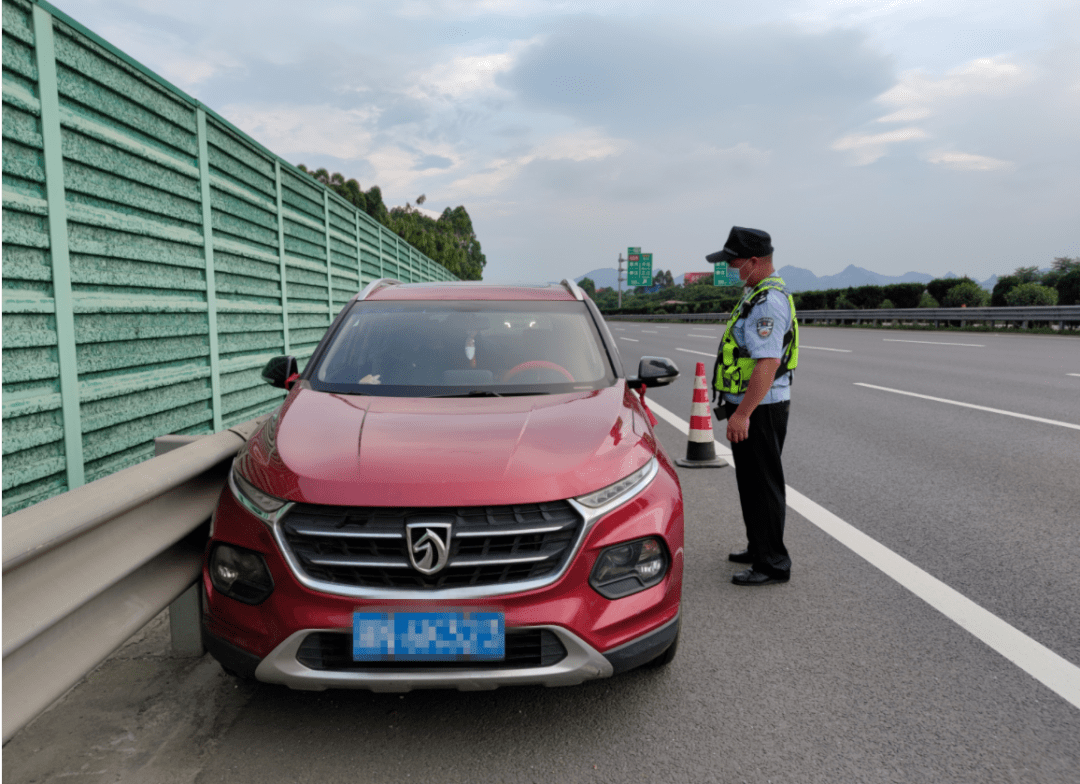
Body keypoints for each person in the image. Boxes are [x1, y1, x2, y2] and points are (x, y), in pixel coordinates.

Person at [706, 227, 800, 586]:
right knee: (750, 482)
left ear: (754, 261)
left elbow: (767, 364)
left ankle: (772, 562)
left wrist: (743, 413)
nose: (731, 268)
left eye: (734, 262)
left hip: (760, 408)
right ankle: (758, 545)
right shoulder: (755, 294)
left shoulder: (768, 302)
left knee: (763, 485)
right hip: (748, 405)